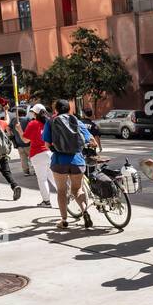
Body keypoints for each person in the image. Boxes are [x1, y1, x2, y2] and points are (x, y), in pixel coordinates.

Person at [43, 98, 99, 229]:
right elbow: (91, 139)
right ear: (70, 109)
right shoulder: (76, 121)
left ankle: (64, 220)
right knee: (77, 190)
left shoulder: (51, 122)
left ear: (56, 110)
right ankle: (85, 211)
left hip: (59, 161)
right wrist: (92, 144)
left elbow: (46, 144)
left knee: (62, 191)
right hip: (77, 160)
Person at [24, 103, 56, 208]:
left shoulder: (33, 123)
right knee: (53, 177)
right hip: (50, 153)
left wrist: (19, 130)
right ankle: (65, 195)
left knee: (42, 179)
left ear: (35, 113)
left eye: (33, 112)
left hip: (38, 154)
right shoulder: (50, 122)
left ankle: (46, 201)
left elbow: (25, 140)